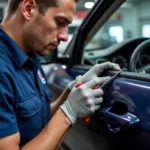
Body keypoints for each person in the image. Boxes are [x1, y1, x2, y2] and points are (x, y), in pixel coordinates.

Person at [0, 0, 121, 149]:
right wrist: (68, 113)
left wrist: (72, 92)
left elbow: (36, 121)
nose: (65, 37)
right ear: (28, 8)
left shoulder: (31, 54)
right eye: (60, 22)